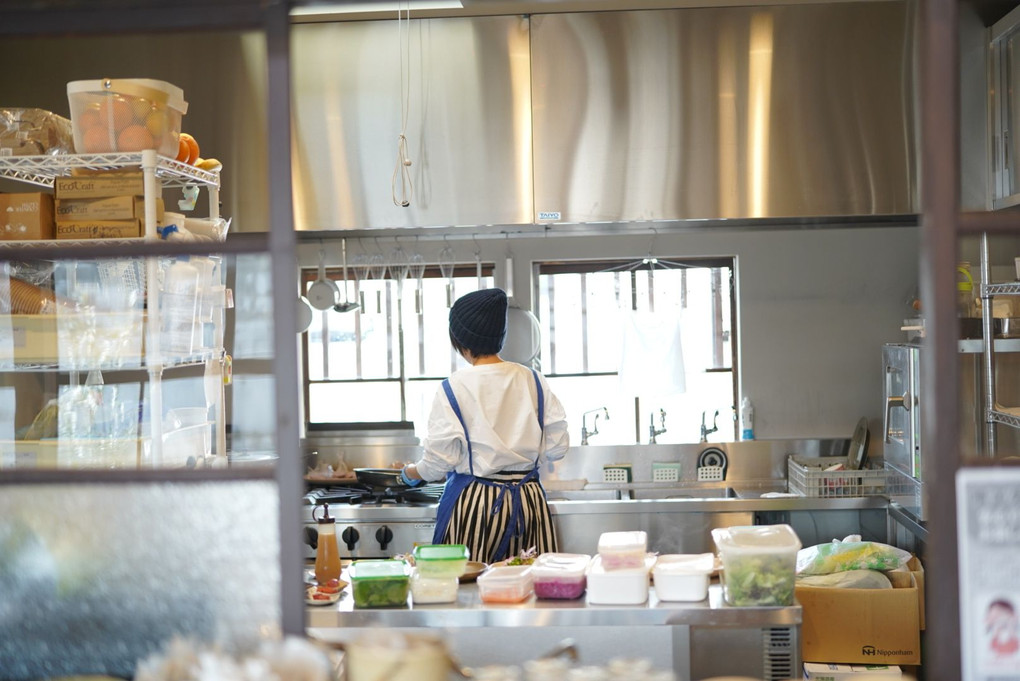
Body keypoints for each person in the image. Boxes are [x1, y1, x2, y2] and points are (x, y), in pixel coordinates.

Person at [399, 288, 569, 563]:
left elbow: (439, 463)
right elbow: (557, 449)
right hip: (528, 502)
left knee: (471, 591)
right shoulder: (533, 380)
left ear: (460, 340)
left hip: (475, 505)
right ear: (499, 337)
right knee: (530, 588)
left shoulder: (453, 387)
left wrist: (411, 472)